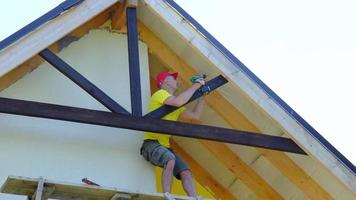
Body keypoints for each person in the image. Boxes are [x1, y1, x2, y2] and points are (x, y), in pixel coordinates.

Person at [140, 71, 205, 200]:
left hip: (165, 146)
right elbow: (177, 102)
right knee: (170, 159)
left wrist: (202, 95)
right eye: (173, 78)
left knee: (185, 171)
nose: (176, 80)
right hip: (151, 143)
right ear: (165, 82)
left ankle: (194, 198)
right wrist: (197, 85)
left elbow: (195, 116)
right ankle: (167, 195)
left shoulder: (175, 104)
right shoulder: (160, 94)